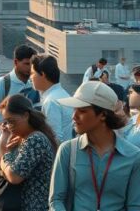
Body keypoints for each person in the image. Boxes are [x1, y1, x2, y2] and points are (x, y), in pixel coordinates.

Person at [49, 81, 140, 210]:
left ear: (103, 114)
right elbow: (56, 200)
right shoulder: (67, 150)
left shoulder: (133, 156)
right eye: (74, 109)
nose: (74, 116)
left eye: (82, 110)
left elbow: (135, 205)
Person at [0, 94, 57, 211]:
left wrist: (3, 151)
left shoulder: (35, 139)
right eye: (6, 122)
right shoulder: (22, 138)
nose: (9, 126)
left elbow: (14, 176)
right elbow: (2, 170)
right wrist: (3, 142)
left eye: (11, 121)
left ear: (25, 115)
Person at [29, 55, 72, 143]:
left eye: (33, 73)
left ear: (43, 74)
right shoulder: (63, 94)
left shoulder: (51, 102)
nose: (31, 77)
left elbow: (55, 139)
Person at [0, 44, 37, 122]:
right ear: (16, 62)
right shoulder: (3, 83)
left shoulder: (35, 83)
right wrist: (9, 125)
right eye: (27, 64)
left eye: (32, 64)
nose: (30, 68)